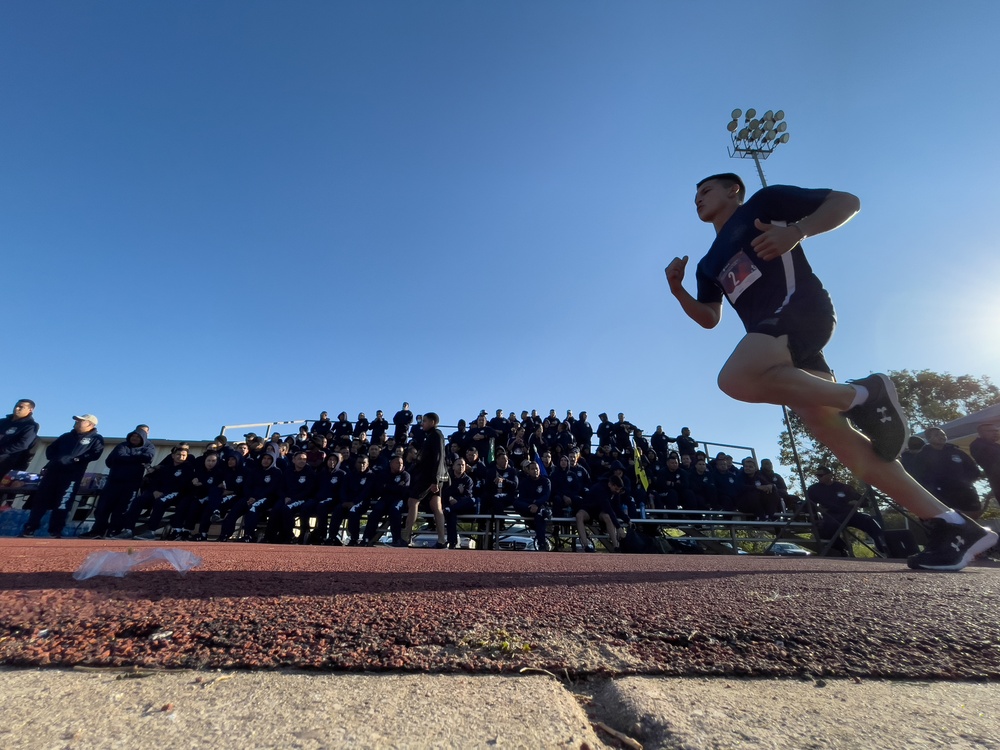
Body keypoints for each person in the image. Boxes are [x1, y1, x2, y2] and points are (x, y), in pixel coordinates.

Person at [665, 172, 996, 570]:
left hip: (800, 312)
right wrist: (679, 291)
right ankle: (951, 524)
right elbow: (709, 318)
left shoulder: (764, 204)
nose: (697, 198)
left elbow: (847, 202)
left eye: (705, 190)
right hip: (776, 343)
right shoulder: (707, 264)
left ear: (733, 189)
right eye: (695, 195)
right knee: (837, 439)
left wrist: (799, 231)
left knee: (734, 378)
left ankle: (864, 395)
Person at [21, 414, 105, 538]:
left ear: (90, 424)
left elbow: (95, 454)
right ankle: (30, 527)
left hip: (72, 475)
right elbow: (51, 449)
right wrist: (56, 460)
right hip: (53, 472)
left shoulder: (96, 439)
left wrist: (76, 459)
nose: (77, 423)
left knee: (63, 502)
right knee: (40, 500)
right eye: (76, 421)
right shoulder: (66, 436)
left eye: (81, 421)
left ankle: (55, 530)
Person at [82, 427, 156, 538]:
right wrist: (135, 459)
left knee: (122, 509)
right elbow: (114, 458)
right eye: (133, 436)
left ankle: (115, 531)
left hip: (132, 484)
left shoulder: (149, 447)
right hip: (113, 482)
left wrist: (125, 460)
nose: (135, 438)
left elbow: (146, 458)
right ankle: (97, 531)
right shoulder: (122, 445)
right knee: (103, 507)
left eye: (138, 436)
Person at [116, 444, 192, 540]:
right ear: (173, 456)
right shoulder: (165, 468)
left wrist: (163, 492)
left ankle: (151, 531)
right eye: (178, 454)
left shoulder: (188, 469)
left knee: (159, 502)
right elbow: (155, 480)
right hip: (158, 492)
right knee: (138, 500)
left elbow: (182, 486)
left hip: (174, 493)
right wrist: (155, 490)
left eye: (183, 455)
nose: (181, 457)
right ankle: (128, 530)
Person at [807, 467, 888, 555]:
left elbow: (865, 502)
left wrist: (856, 502)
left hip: (850, 514)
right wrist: (816, 514)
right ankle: (843, 549)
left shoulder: (844, 487)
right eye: (817, 475)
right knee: (824, 530)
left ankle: (884, 548)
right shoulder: (813, 489)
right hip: (831, 515)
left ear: (830, 475)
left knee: (869, 521)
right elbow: (809, 505)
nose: (818, 477)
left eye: (820, 475)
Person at [912, 427, 982, 518]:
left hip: (966, 495)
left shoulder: (957, 452)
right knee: (952, 524)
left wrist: (965, 482)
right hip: (942, 497)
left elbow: (974, 470)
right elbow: (920, 478)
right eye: (937, 435)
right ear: (929, 438)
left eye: (943, 434)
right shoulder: (922, 456)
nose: (941, 437)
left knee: (972, 524)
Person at [403, 412, 449, 548]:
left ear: (432, 422)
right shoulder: (431, 436)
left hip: (431, 476)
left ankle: (406, 537)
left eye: (425, 421)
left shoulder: (436, 435)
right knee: (436, 506)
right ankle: (441, 541)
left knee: (412, 501)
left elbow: (439, 457)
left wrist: (436, 480)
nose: (422, 423)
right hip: (433, 476)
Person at [0, 399, 40, 477]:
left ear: (30, 410)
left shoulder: (30, 426)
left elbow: (22, 444)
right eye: (16, 406)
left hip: (5, 462)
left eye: (21, 407)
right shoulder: (2, 421)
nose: (16, 408)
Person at [969, 422, 1000, 513]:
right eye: (991, 431)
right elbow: (992, 462)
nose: (995, 433)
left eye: (996, 431)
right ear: (981, 433)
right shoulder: (977, 445)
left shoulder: (996, 446)